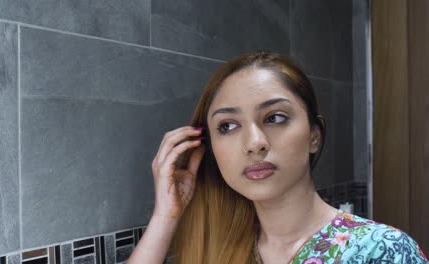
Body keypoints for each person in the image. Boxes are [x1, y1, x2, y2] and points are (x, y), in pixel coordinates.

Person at [127, 52, 428, 264]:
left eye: (275, 117)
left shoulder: (384, 252)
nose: (254, 143)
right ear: (210, 147)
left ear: (314, 135)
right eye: (228, 126)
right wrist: (165, 217)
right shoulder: (218, 252)